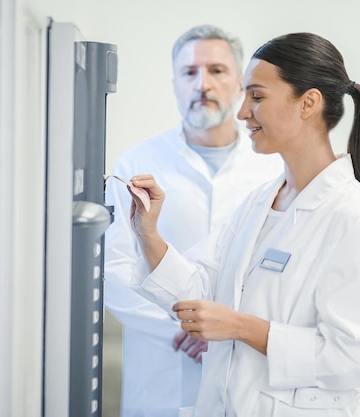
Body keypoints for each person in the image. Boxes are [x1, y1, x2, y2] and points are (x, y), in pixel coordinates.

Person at [126, 32, 360, 417]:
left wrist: (240, 326)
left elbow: (349, 357)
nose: (242, 112)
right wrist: (148, 234)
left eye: (257, 96)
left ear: (309, 103)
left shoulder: (353, 216)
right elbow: (203, 291)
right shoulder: (259, 202)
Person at [103, 25, 282, 417]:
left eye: (217, 70)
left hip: (246, 368)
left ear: (239, 83)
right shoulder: (137, 163)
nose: (202, 83)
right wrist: (187, 327)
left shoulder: (272, 169)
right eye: (189, 72)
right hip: (160, 371)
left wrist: (228, 328)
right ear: (175, 84)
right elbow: (112, 270)